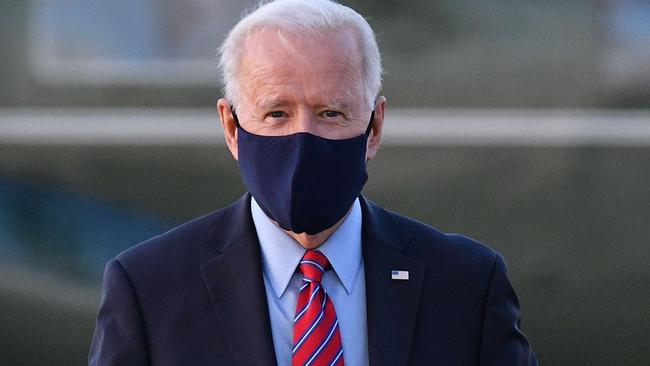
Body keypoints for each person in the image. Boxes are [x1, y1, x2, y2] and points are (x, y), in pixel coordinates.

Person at [89, 0, 537, 365]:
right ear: (232, 127)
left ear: (374, 127)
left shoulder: (466, 285)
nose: (302, 140)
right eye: (276, 114)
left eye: (331, 113)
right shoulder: (150, 289)